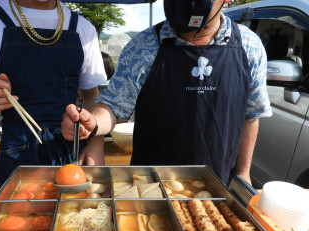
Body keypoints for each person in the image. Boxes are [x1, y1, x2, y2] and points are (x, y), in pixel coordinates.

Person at [61, 0, 272, 186]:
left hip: (218, 183)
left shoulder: (249, 46)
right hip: (150, 184)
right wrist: (94, 123)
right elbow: (113, 106)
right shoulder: (144, 46)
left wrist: (243, 172)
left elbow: (251, 115)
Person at [0, 0, 107, 186]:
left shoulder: (83, 28)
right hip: (16, 153)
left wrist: (96, 142)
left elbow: (91, 94)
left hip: (73, 151)